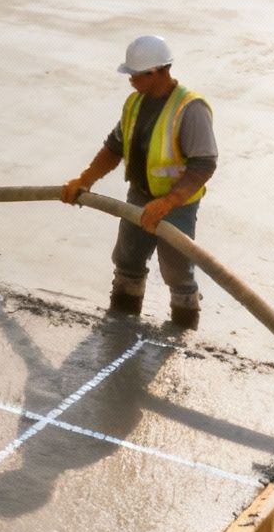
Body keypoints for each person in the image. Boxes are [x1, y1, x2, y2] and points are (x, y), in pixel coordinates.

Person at [60, 34, 217, 331]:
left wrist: (168, 202)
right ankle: (121, 323)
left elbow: (204, 164)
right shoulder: (134, 103)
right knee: (127, 260)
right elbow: (114, 147)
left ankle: (184, 329)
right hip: (140, 196)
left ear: (157, 72)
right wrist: (85, 179)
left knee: (177, 271)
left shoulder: (190, 109)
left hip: (178, 204)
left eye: (135, 75)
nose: (130, 80)